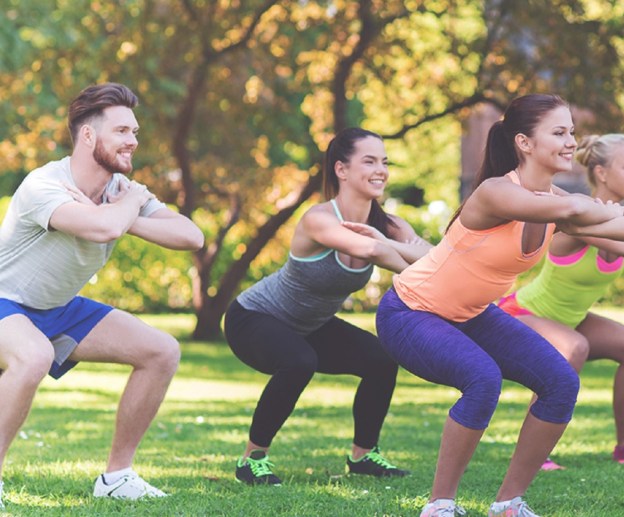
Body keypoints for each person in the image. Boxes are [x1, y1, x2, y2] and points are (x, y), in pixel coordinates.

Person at [375, 94, 624, 517]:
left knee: (560, 382)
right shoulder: (496, 192)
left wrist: (615, 214)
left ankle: (508, 503)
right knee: (482, 378)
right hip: (411, 311)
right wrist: (601, 210)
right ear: (524, 143)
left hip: (472, 314)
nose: (571, 142)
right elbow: (574, 208)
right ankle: (439, 505)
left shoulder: (554, 202)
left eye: (571, 132)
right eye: (559, 132)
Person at [0, 83, 204, 507]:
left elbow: (191, 236)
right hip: (6, 299)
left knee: (161, 351)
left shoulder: (122, 193)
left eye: (135, 132)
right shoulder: (45, 184)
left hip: (58, 307)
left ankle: (117, 477)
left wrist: (126, 214)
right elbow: (102, 228)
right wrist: (120, 212)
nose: (133, 141)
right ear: (89, 135)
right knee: (34, 356)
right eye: (122, 131)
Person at [223, 127, 432, 486]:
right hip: (254, 318)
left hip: (310, 324)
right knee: (299, 360)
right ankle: (252, 459)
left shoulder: (389, 226)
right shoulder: (318, 219)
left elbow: (434, 257)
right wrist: (411, 263)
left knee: (381, 360)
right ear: (341, 169)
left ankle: (363, 456)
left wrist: (406, 253)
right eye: (369, 161)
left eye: (384, 162)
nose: (381, 170)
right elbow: (371, 250)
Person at [498, 134, 624, 470]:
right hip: (521, 314)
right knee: (573, 347)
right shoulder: (579, 218)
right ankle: (534, 451)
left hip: (570, 320)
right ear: (602, 173)